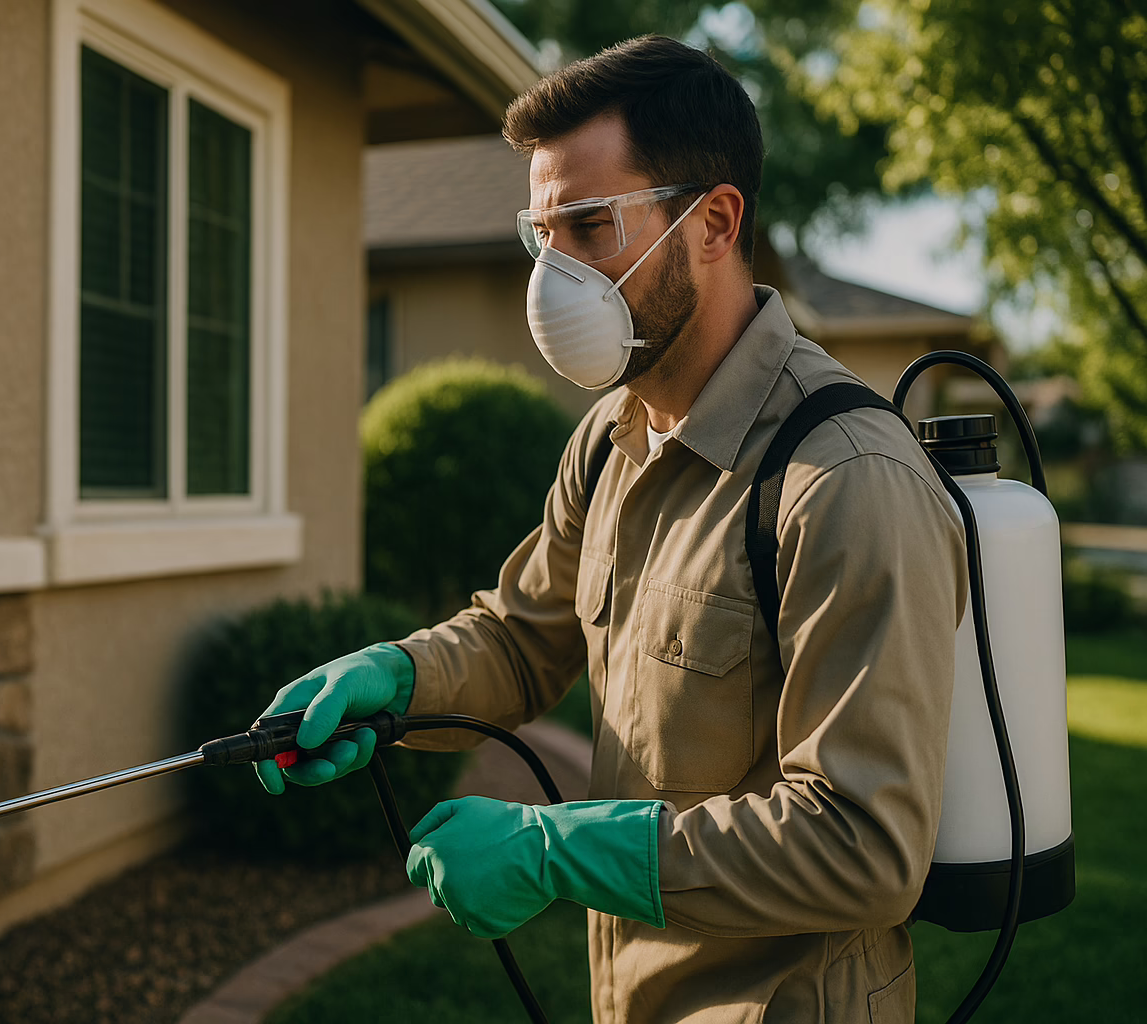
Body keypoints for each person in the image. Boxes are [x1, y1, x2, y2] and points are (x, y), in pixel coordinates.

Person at [255, 35, 966, 1024]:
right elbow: (520, 636)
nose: (555, 275)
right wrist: (394, 679)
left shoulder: (845, 479)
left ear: (715, 222)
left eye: (589, 227)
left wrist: (555, 850)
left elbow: (863, 845)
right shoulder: (612, 437)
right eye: (540, 235)